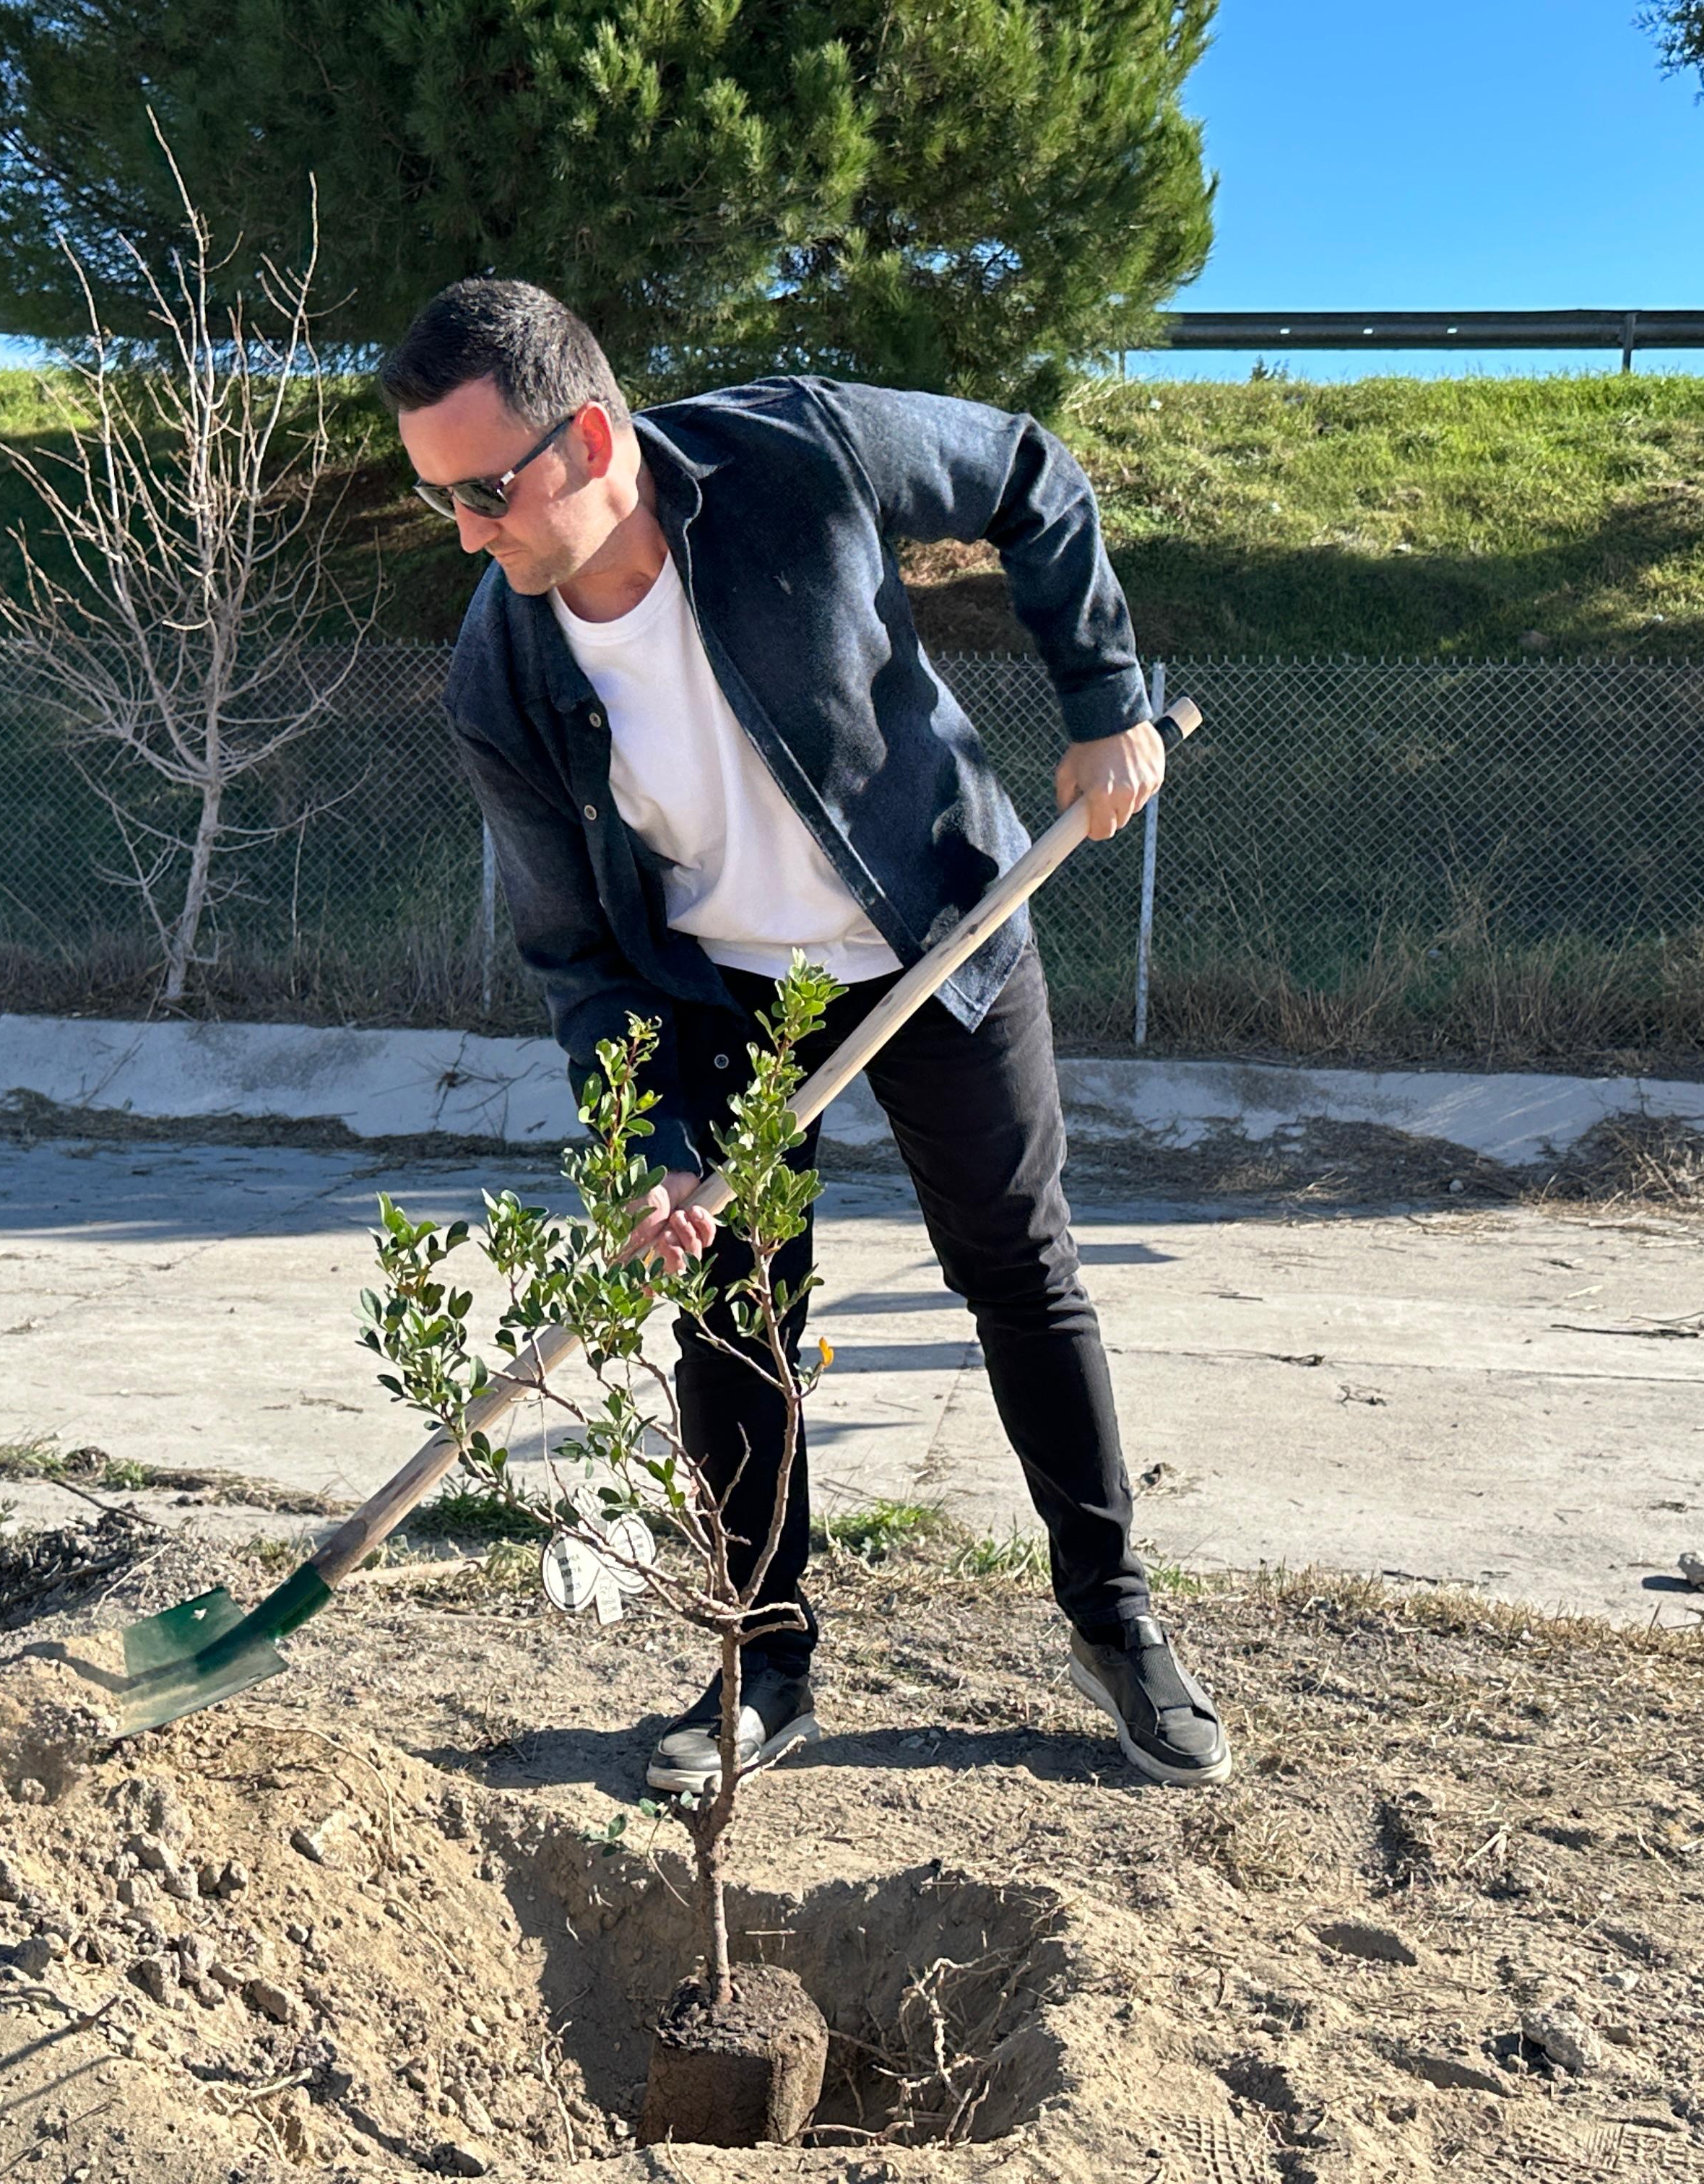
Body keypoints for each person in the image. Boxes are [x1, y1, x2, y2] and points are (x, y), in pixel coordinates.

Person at [379, 277, 1229, 1793]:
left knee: (1021, 1279)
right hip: (716, 998)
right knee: (731, 1321)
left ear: (586, 440)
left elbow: (1030, 473)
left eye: (485, 491)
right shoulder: (498, 671)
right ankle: (761, 1669)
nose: (464, 534)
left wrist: (1106, 699)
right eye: (437, 498)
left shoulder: (799, 452)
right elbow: (576, 950)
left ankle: (1117, 1626)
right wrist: (647, 1145)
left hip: (937, 938)